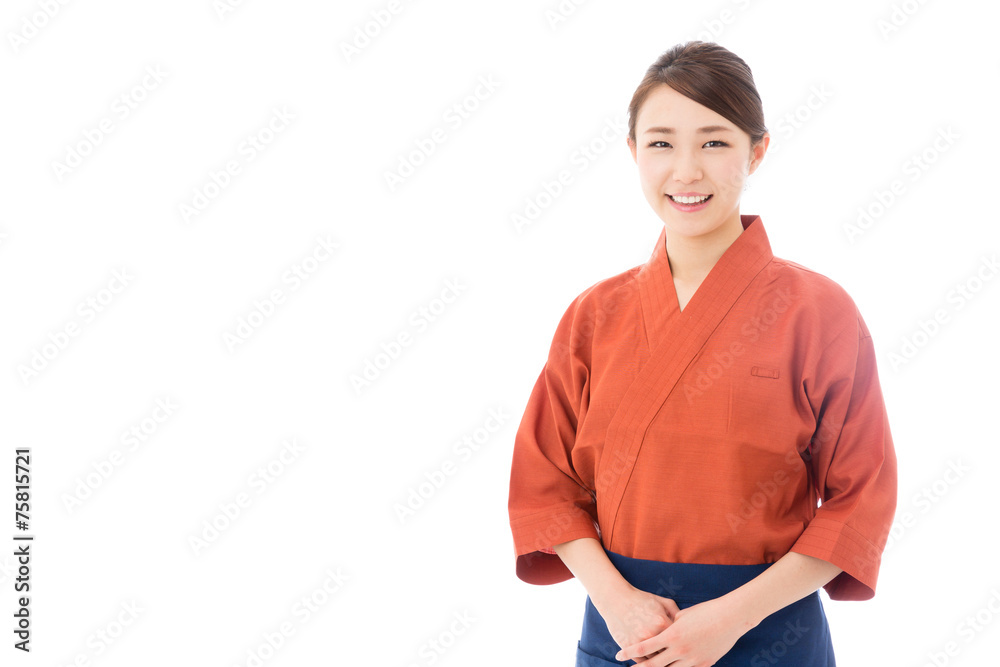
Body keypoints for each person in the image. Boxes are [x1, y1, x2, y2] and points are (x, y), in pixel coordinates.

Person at [506, 41, 897, 666]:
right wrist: (615, 600)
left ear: (757, 151)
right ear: (633, 153)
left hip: (771, 630)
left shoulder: (819, 312)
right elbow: (545, 486)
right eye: (661, 143)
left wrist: (732, 617)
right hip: (626, 629)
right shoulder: (593, 315)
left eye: (714, 142)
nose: (686, 171)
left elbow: (860, 499)